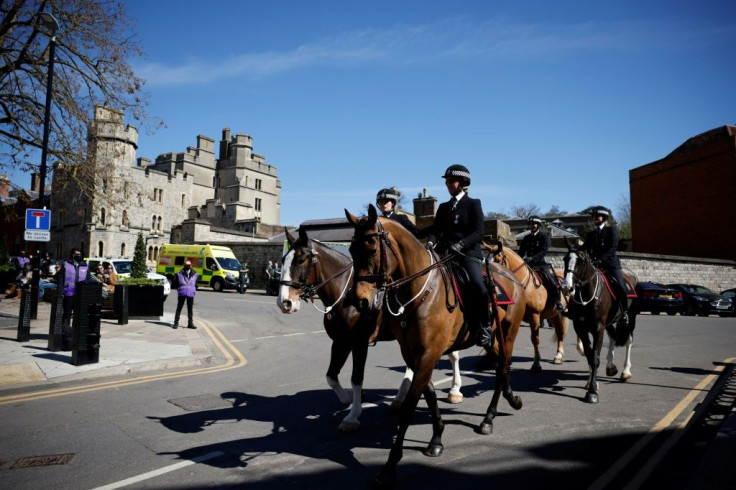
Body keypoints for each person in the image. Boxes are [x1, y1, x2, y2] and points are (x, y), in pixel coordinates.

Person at [425, 164, 491, 347]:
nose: (448, 184)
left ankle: (485, 326)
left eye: (452, 181)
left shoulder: (473, 204)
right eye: (447, 181)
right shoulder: (444, 207)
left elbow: (478, 233)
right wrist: (430, 243)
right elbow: (436, 230)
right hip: (445, 254)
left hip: (468, 253)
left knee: (478, 284)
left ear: (462, 183)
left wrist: (461, 244)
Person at [581, 206, 629, 328]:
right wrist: (573, 250)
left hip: (611, 265)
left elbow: (612, 248)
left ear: (604, 218)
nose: (595, 218)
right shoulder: (591, 234)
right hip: (595, 265)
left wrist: (600, 259)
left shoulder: (611, 230)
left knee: (620, 286)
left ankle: (624, 313)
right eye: (594, 217)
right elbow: (585, 247)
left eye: (598, 216)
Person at [518, 215, 565, 311]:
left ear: (538, 225)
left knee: (550, 280)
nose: (532, 225)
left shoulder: (544, 236)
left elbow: (543, 251)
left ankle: (557, 300)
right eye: (531, 224)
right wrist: (519, 260)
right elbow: (521, 252)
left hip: (540, 264)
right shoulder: (526, 238)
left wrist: (532, 258)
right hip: (527, 265)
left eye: (534, 224)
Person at [56, 248, 91, 348]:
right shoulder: (66, 265)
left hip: (80, 296)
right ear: (72, 255)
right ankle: (66, 336)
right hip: (68, 294)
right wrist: (60, 292)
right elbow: (60, 279)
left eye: (80, 254)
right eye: (76, 254)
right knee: (67, 316)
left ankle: (76, 335)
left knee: (79, 316)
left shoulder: (85, 266)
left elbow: (88, 280)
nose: (79, 255)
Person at [172, 260, 198, 329]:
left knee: (190, 309)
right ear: (184, 265)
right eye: (186, 265)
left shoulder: (195, 274)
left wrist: (193, 290)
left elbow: (196, 283)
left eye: (189, 265)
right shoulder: (179, 273)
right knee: (179, 308)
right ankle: (176, 323)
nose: (188, 266)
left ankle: (190, 323)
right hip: (182, 293)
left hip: (190, 293)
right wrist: (179, 289)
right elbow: (175, 284)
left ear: (191, 265)